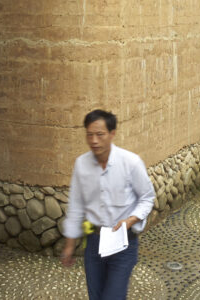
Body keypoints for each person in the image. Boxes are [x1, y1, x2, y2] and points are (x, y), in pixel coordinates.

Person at [60, 109, 155, 300]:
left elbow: (147, 197)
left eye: (100, 135)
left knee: (113, 296)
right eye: (89, 135)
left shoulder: (131, 162)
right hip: (94, 243)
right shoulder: (81, 165)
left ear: (112, 134)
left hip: (123, 242)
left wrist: (130, 220)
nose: (94, 141)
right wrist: (70, 245)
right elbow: (76, 207)